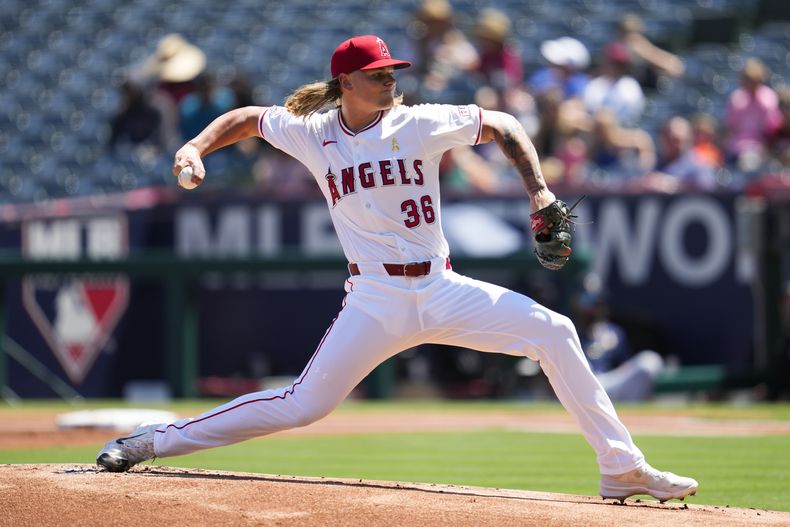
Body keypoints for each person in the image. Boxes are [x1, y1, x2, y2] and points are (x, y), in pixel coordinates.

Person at [97, 34, 698, 503]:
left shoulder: (417, 123)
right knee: (305, 404)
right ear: (346, 82)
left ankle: (620, 467)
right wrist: (194, 147)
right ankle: (154, 441)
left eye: (391, 73)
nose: (389, 82)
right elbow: (250, 118)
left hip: (440, 287)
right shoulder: (313, 133)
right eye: (377, 75)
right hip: (374, 299)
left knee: (556, 332)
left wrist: (539, 193)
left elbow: (506, 125)